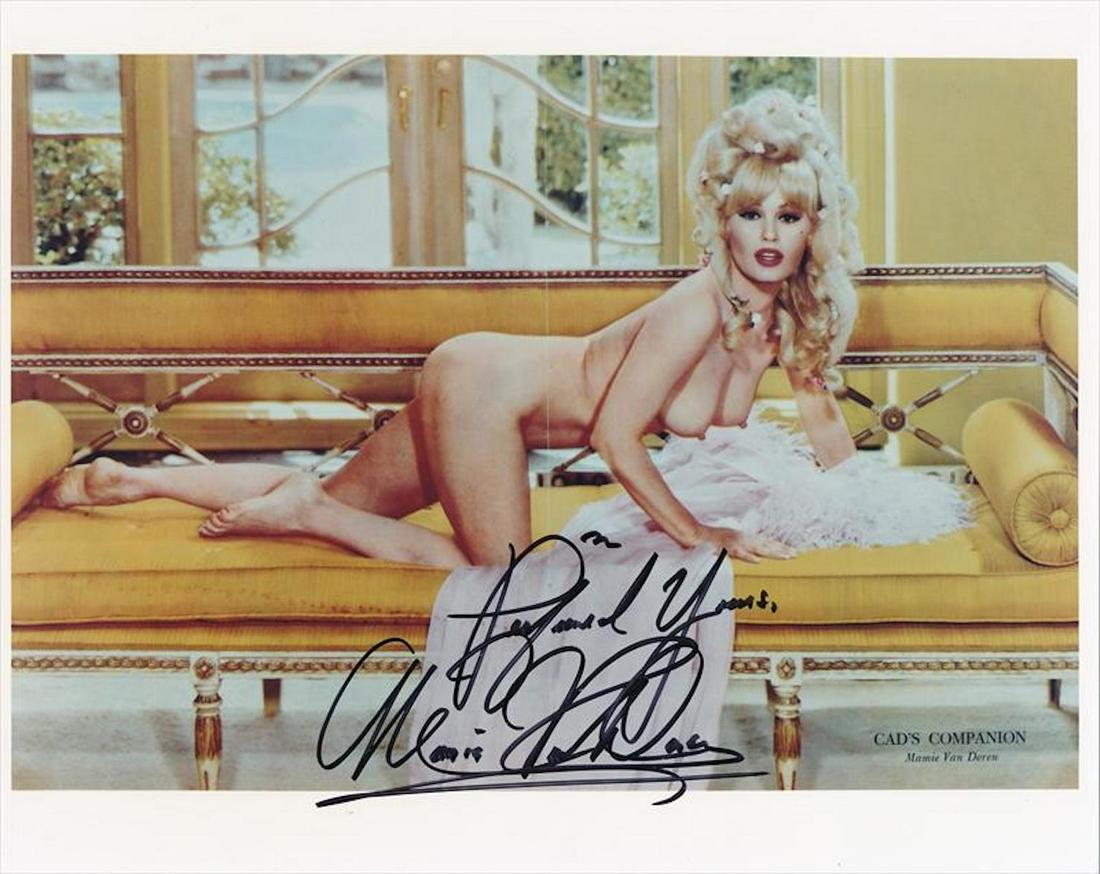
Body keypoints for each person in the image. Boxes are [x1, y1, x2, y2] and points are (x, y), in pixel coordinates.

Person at [42, 89, 870, 571]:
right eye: (750, 213)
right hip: (488, 394)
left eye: (789, 215)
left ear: (814, 226)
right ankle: (308, 513)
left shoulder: (785, 320)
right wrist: (703, 533)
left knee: (348, 491)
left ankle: (129, 484)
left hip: (482, 374)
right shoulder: (698, 304)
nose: (769, 234)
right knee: (503, 580)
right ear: (722, 221)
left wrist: (867, 514)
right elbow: (617, 438)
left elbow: (828, 433)